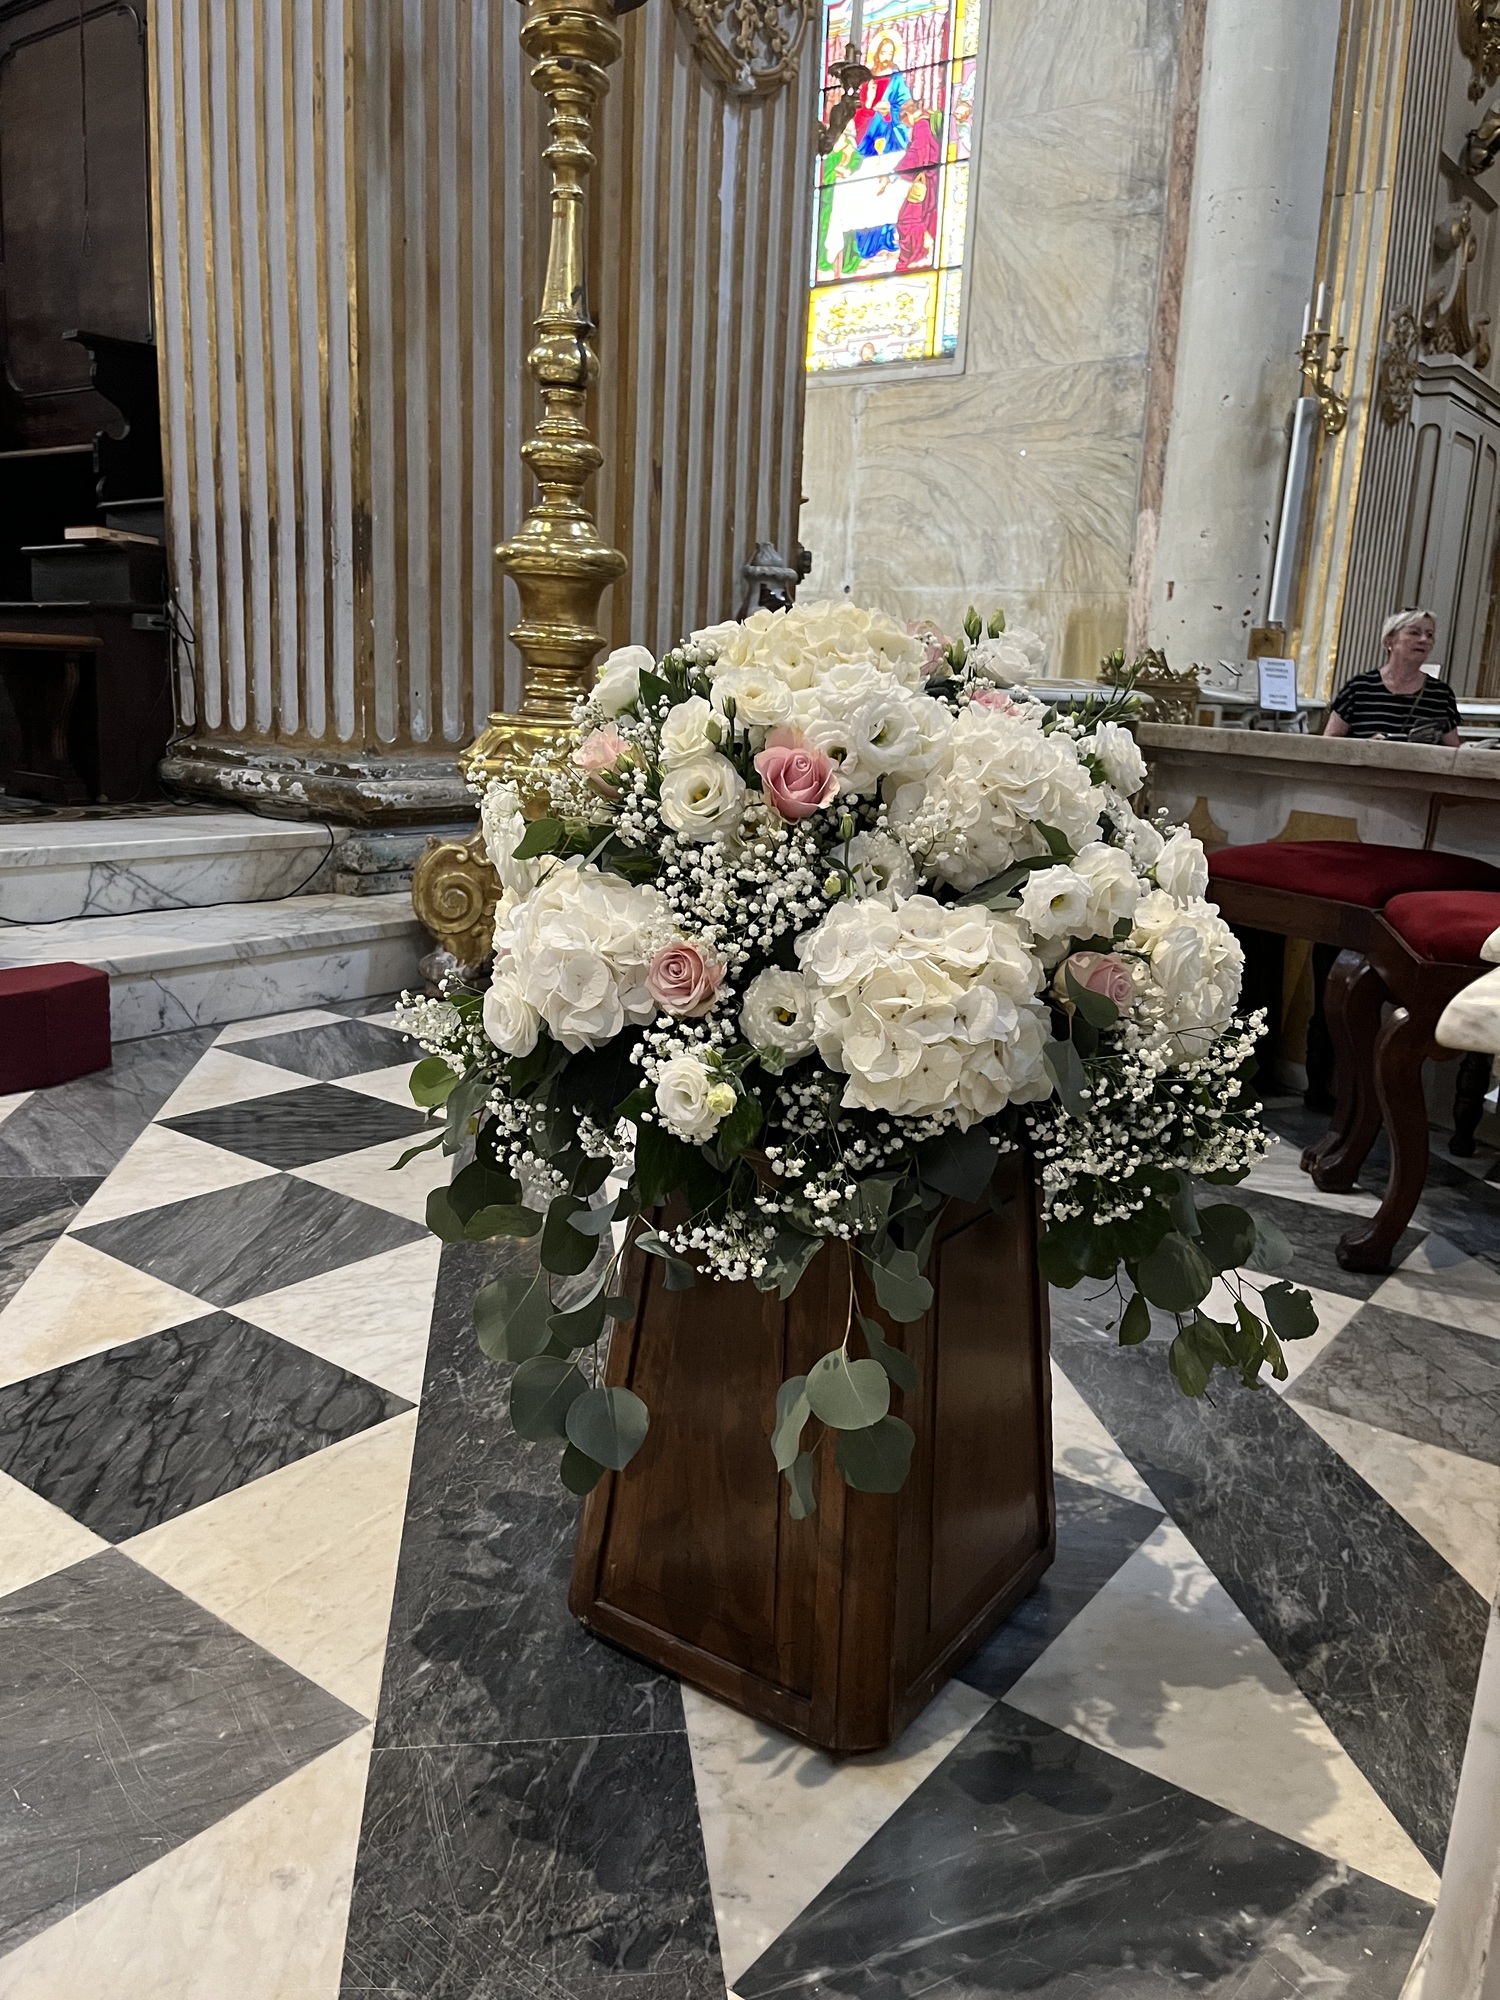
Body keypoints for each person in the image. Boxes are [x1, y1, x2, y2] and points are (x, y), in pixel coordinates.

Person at [1324, 609, 1462, 746]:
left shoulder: (1441, 695)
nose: (1424, 640)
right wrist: (1367, 746)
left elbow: (1453, 752)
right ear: (1389, 641)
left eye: (1430, 635)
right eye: (1414, 633)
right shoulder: (1359, 688)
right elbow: (1328, 743)